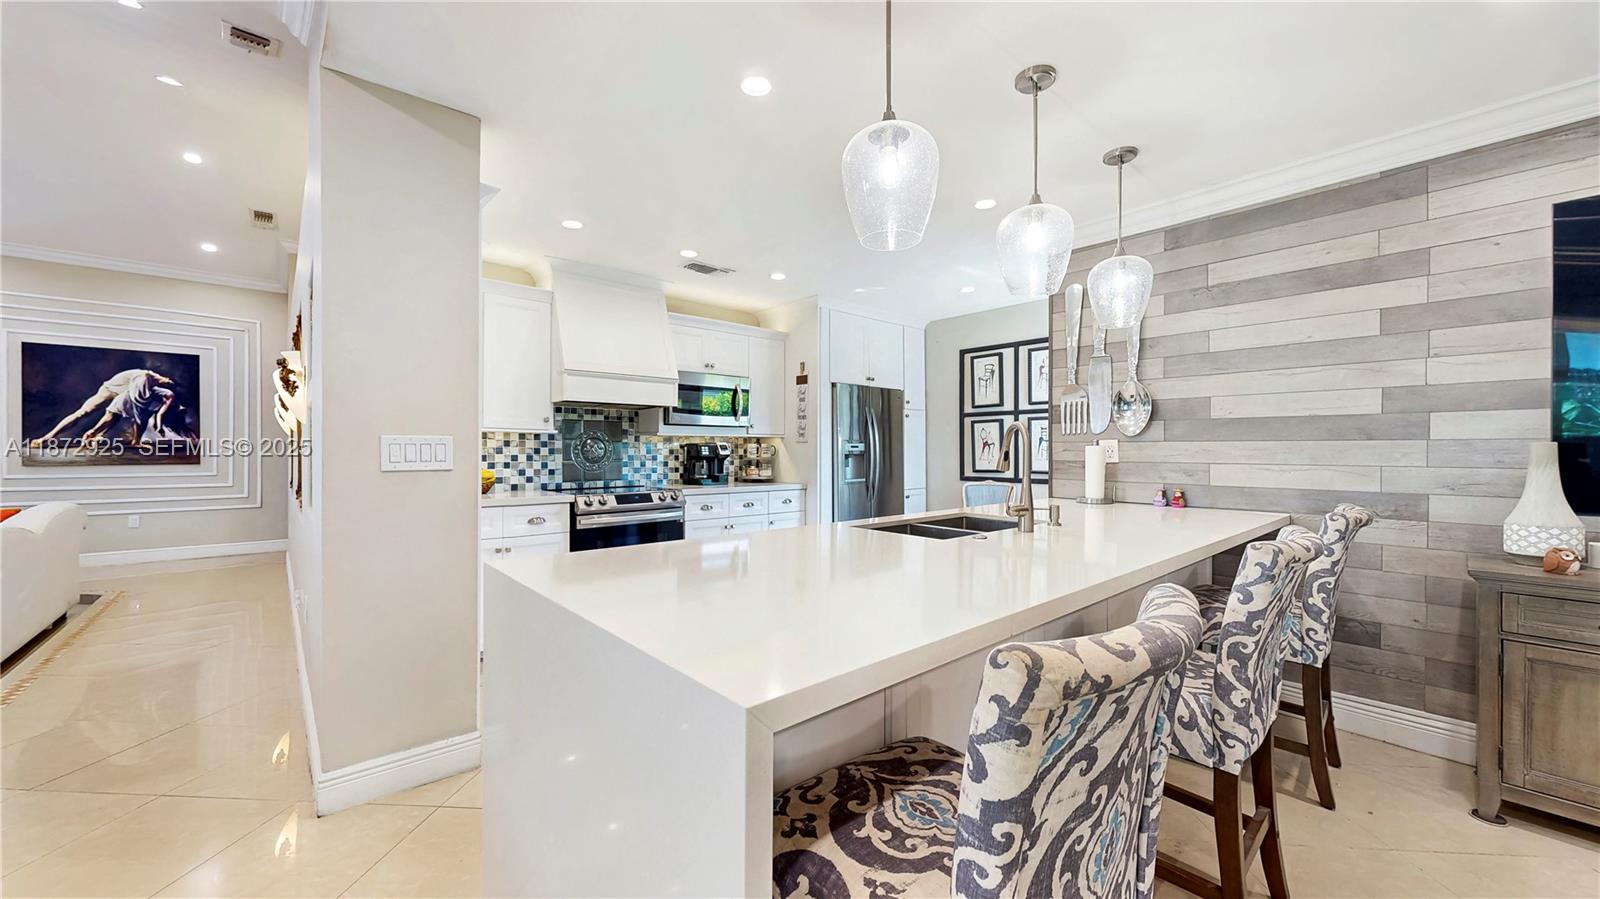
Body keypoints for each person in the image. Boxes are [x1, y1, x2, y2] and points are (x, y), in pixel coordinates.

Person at [32, 369, 176, 447]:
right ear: (166, 378)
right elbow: (137, 404)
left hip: (122, 394)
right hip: (109, 390)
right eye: (168, 382)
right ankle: (47, 437)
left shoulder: (154, 385)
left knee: (118, 413)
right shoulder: (145, 377)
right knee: (82, 413)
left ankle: (93, 434)